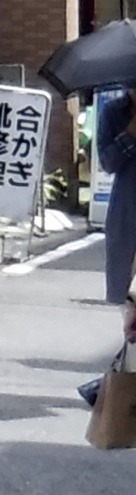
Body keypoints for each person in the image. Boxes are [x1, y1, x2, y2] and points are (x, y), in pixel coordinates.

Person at [97, 86, 136, 339]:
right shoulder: (113, 112)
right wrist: (130, 134)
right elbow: (107, 162)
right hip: (128, 206)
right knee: (128, 299)